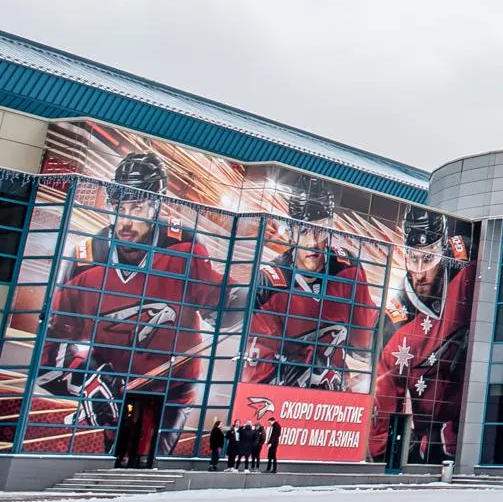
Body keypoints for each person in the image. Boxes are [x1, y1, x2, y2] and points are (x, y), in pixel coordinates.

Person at [39, 152, 225, 457]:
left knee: (153, 456)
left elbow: (218, 304)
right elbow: (50, 353)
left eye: (136, 207)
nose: (125, 219)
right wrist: (87, 377)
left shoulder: (184, 246)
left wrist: (238, 304)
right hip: (114, 391)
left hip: (172, 391)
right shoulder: (85, 259)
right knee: (117, 454)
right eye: (120, 207)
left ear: (155, 206)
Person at [244, 175, 379, 391]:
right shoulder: (269, 283)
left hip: (334, 398)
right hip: (286, 398)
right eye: (304, 230)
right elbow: (258, 372)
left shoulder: (349, 268)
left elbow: (363, 341)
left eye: (320, 229)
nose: (313, 242)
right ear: (290, 232)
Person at [370, 206, 475, 466]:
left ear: (443, 250)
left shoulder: (466, 262)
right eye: (412, 258)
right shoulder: (394, 325)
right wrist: (393, 456)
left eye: (428, 259)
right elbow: (383, 406)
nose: (419, 271)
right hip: (434, 445)